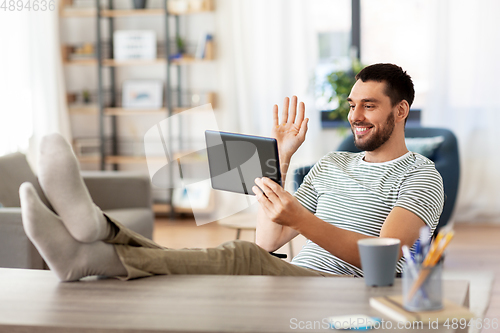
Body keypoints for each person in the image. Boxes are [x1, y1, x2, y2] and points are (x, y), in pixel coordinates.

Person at [20, 63, 444, 282]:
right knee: (228, 259)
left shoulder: (421, 175)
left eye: (369, 105)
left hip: (339, 288)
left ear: (400, 110)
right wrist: (280, 158)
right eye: (352, 105)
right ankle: (94, 240)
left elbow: (385, 262)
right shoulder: (332, 164)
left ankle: (95, 243)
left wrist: (301, 218)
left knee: (235, 257)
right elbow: (269, 241)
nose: (356, 115)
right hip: (293, 277)